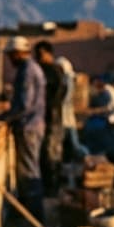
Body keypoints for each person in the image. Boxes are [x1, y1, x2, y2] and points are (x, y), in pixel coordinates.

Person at [3, 36, 47, 223]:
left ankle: (33, 217)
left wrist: (4, 118)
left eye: (11, 55)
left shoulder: (27, 71)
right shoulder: (32, 68)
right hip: (34, 125)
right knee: (32, 169)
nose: (9, 60)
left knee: (29, 172)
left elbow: (23, 105)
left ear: (18, 53)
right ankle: (33, 214)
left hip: (29, 127)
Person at [33, 40, 66, 194]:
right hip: (50, 118)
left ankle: (52, 190)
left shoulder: (53, 72)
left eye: (40, 54)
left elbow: (56, 96)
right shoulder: (47, 71)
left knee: (50, 155)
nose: (38, 57)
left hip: (52, 119)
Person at [55, 57, 88, 161]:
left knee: (74, 145)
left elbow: (66, 98)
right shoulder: (65, 79)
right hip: (65, 118)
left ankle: (87, 157)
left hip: (66, 119)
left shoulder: (67, 79)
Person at [84, 75, 114, 156]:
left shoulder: (107, 92)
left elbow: (108, 108)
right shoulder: (107, 90)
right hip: (110, 116)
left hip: (112, 118)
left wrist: (95, 112)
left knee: (94, 128)